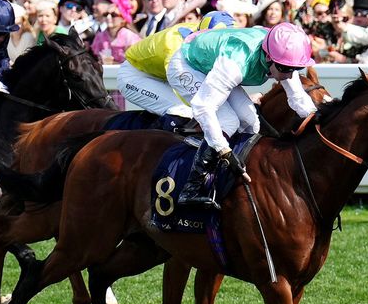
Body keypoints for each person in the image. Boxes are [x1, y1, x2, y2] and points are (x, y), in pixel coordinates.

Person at [168, 23, 318, 207]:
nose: (289, 75)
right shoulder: (237, 62)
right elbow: (203, 107)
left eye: (295, 69)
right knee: (229, 121)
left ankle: (237, 177)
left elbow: (297, 97)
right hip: (187, 65)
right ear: (269, 58)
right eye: (286, 69)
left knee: (250, 121)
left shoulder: (281, 56)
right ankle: (192, 188)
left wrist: (317, 120)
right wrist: (225, 151)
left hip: (213, 66)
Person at [118, 11, 235, 129]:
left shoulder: (201, 32)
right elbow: (180, 82)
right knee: (183, 110)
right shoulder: (174, 46)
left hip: (157, 73)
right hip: (134, 76)